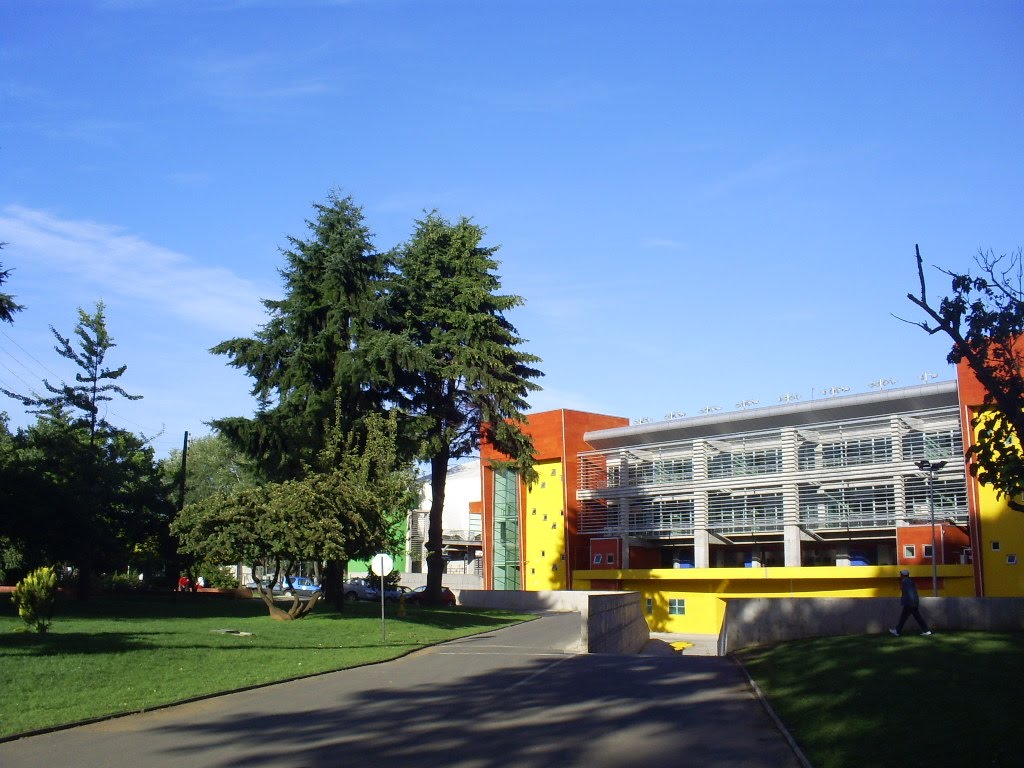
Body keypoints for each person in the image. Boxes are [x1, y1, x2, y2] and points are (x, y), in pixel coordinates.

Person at [889, 569, 932, 636]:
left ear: (904, 575)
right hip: (912, 602)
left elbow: (909, 593)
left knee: (904, 618)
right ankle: (926, 630)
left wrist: (912, 602)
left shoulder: (905, 582)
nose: (900, 575)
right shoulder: (909, 581)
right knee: (913, 617)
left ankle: (897, 631)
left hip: (909, 603)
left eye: (901, 574)